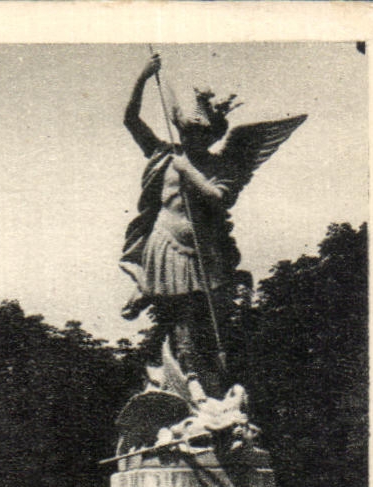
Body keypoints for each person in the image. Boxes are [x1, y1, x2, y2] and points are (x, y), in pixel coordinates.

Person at [119, 53, 305, 407]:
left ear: (212, 134)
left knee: (213, 318)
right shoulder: (163, 154)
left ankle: (211, 380)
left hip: (206, 252)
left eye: (200, 133)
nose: (192, 137)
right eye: (187, 130)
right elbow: (130, 119)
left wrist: (188, 169)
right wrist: (143, 77)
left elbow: (221, 199)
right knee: (182, 316)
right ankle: (191, 383)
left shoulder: (221, 165)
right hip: (166, 243)